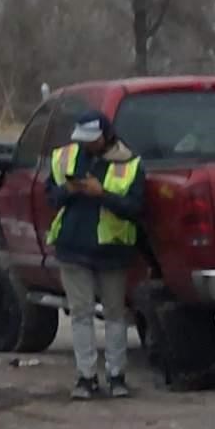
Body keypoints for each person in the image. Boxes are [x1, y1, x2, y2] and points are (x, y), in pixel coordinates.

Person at [47, 116, 145, 398]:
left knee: (115, 315)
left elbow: (134, 207)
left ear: (106, 135)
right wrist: (69, 189)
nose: (86, 143)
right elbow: (50, 198)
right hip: (73, 247)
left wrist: (101, 194)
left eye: (92, 138)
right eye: (82, 138)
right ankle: (85, 377)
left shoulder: (129, 163)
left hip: (112, 249)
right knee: (81, 314)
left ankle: (117, 376)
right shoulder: (65, 157)